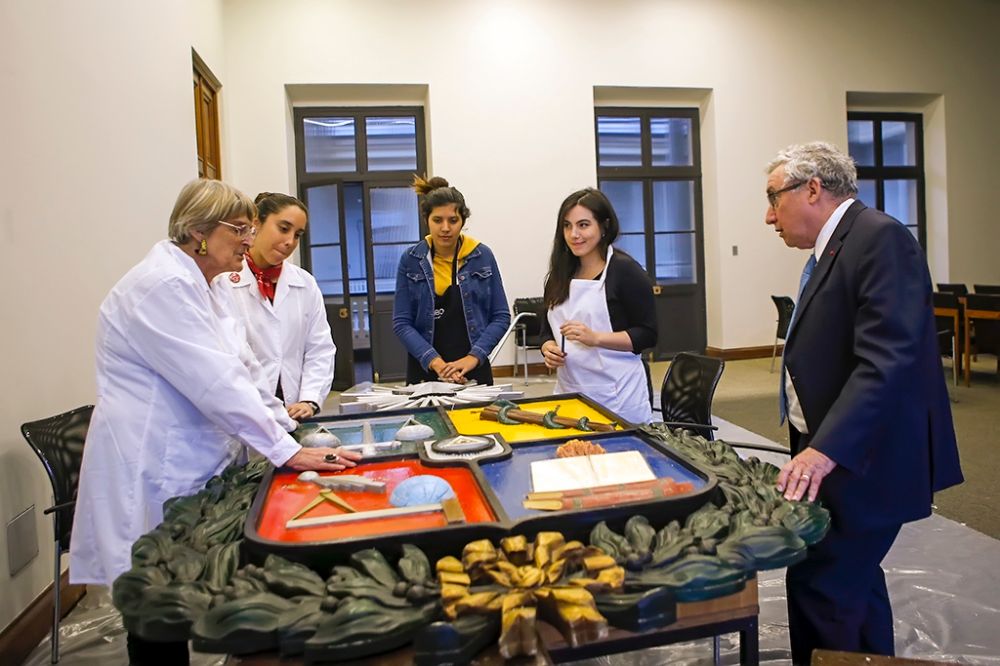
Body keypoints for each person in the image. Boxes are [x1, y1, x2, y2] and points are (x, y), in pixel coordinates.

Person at [70, 179, 360, 665]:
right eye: (240, 229)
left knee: (178, 586)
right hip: (151, 459)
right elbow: (216, 383)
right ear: (199, 231)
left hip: (189, 456)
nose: (249, 240)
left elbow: (245, 370)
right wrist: (285, 450)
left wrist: (285, 429)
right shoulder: (162, 285)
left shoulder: (208, 284)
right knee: (154, 600)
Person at [765, 142, 963, 663]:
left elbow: (886, 360)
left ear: (812, 189)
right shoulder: (837, 245)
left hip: (862, 457)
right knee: (852, 582)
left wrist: (824, 449)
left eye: (773, 198)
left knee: (822, 583)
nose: (769, 216)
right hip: (835, 450)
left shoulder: (879, 238)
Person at [539, 188, 657, 424]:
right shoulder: (559, 275)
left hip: (618, 396)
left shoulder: (625, 271)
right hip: (570, 391)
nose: (574, 234)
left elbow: (647, 334)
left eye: (583, 225)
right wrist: (547, 347)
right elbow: (546, 327)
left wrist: (596, 338)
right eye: (567, 226)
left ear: (604, 226)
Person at [223, 191, 335, 420]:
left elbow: (320, 348)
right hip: (243, 411)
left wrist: (309, 399)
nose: (290, 241)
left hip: (294, 410)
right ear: (256, 224)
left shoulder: (304, 283)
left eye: (298, 235)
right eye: (284, 229)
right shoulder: (224, 281)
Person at [392, 175, 510, 385]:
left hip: (473, 368)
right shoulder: (411, 260)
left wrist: (473, 357)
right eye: (437, 220)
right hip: (425, 370)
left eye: (453, 220)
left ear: (463, 221)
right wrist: (436, 362)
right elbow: (402, 323)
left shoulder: (482, 256)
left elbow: (501, 317)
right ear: (426, 220)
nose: (445, 228)